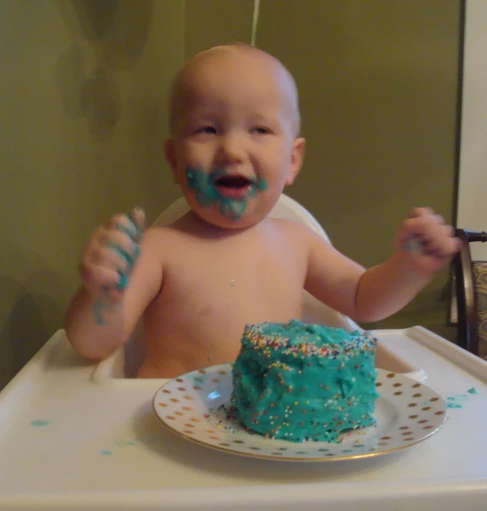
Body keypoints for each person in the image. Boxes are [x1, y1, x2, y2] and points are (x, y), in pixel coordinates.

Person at [64, 43, 460, 379]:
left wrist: (408, 270)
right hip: (172, 442)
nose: (233, 150)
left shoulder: (297, 243)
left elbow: (364, 299)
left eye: (259, 130)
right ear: (173, 159)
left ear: (292, 160)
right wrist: (102, 295)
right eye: (208, 129)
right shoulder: (159, 248)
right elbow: (93, 344)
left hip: (272, 438)